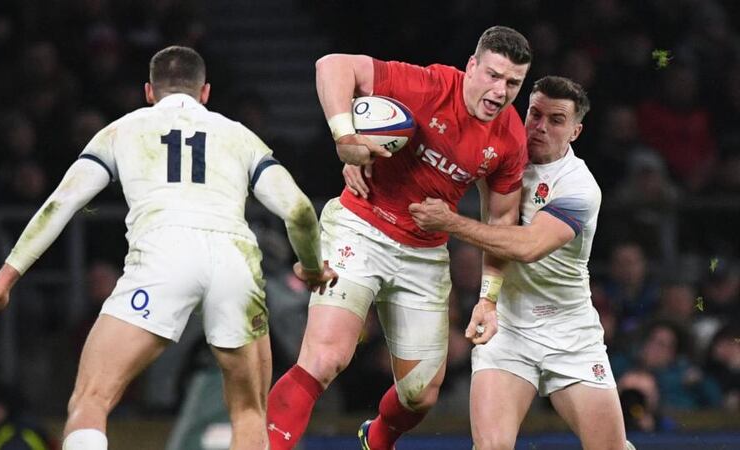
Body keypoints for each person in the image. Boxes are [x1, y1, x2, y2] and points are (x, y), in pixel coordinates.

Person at [0, 45, 337, 450]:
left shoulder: (122, 131)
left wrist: (4, 279)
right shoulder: (239, 135)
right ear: (205, 92)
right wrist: (311, 268)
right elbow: (298, 209)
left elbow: (60, 203)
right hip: (234, 261)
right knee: (248, 414)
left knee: (90, 400)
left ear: (149, 92)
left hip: (162, 257)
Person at [265, 26, 532, 450]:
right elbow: (331, 66)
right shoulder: (428, 85)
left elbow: (501, 222)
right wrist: (345, 138)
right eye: (493, 76)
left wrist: (488, 296)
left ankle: (376, 438)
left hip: (424, 254)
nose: (500, 91)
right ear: (471, 67)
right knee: (325, 358)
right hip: (360, 225)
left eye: (513, 83)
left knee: (420, 396)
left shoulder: (510, 138)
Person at [409, 76, 633, 450]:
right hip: (507, 327)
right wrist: (365, 160)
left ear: (576, 131)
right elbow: (432, 149)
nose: (541, 127)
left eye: (557, 120)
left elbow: (528, 246)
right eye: (535, 114)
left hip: (570, 332)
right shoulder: (498, 150)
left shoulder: (579, 187)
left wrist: (451, 222)